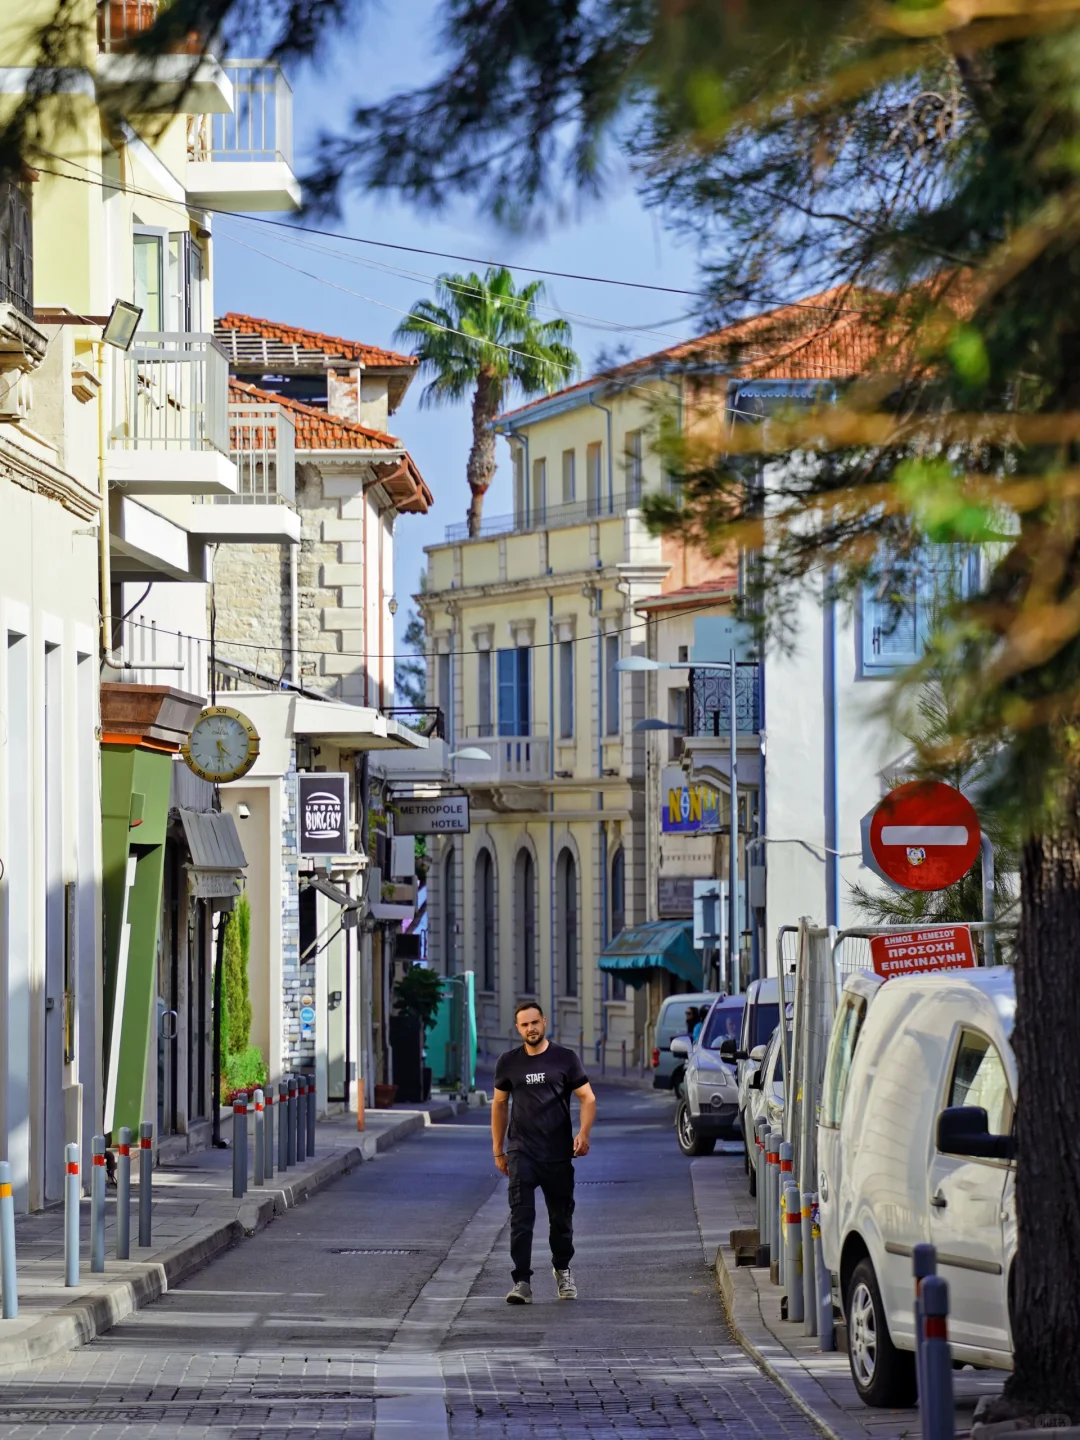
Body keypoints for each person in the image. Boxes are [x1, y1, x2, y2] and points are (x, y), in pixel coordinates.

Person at [491, 1001, 597, 1305]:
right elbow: (499, 1105)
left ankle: (562, 1269)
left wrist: (584, 1133)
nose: (531, 1029)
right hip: (521, 1151)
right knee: (521, 1217)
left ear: (544, 1022)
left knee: (561, 1219)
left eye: (535, 1023)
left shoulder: (565, 1058)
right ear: (517, 1028)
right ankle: (521, 1280)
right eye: (524, 1025)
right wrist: (497, 1149)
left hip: (558, 1153)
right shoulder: (508, 1062)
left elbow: (587, 1098)